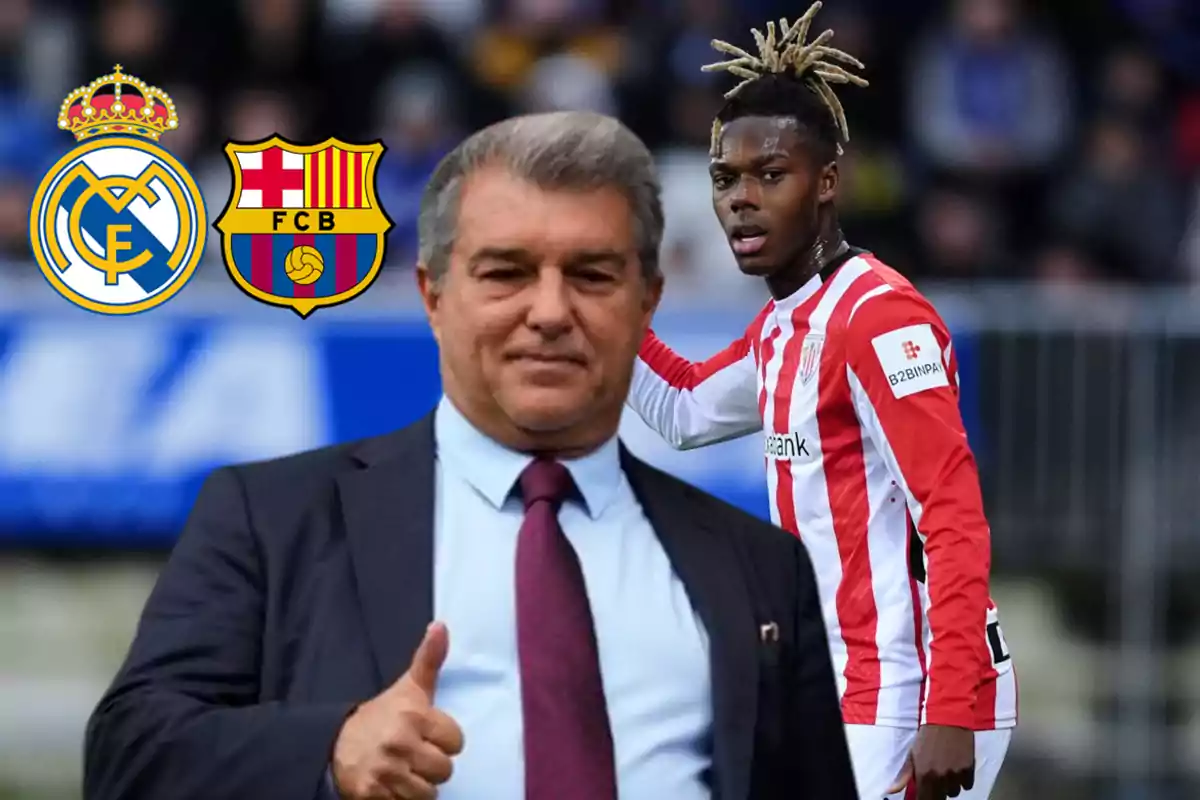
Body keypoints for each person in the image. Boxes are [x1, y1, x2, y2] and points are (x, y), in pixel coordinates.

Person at [82, 110, 858, 800]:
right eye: (506, 273)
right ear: (433, 295)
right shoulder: (272, 520)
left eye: (590, 274)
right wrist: (329, 751)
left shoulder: (761, 568)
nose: (550, 312)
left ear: (647, 301)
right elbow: (129, 756)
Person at [625, 4, 1017, 800]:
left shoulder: (878, 319)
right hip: (832, 685)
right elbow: (684, 407)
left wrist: (948, 711)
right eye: (726, 179)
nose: (741, 199)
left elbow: (953, 513)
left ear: (827, 182)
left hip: (910, 694)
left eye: (772, 175)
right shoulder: (783, 325)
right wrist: (604, 301)